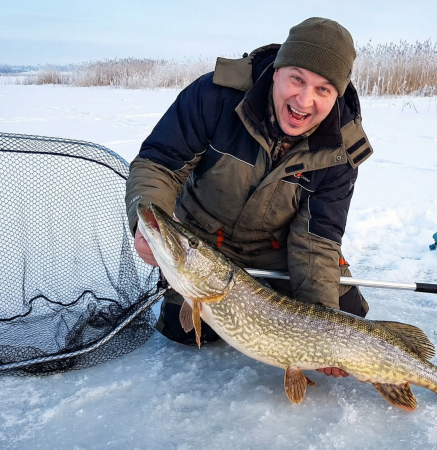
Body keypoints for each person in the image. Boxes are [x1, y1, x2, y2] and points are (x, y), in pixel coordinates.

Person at [125, 17, 374, 378]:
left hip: (278, 247)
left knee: (349, 321)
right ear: (276, 71)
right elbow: (158, 164)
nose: (304, 100)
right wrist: (148, 215)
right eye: (297, 79)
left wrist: (321, 329)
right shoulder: (214, 96)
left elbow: (316, 240)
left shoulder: (342, 149)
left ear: (337, 95)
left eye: (323, 89)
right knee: (186, 331)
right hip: (205, 238)